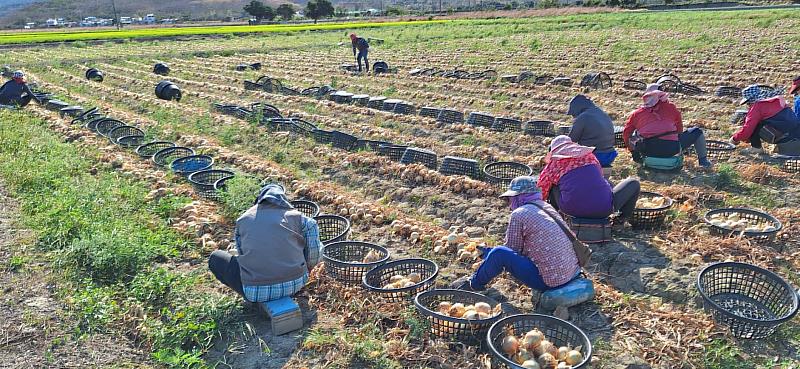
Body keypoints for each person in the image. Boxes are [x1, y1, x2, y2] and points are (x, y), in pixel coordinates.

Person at [451, 176, 581, 292]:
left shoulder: (519, 213)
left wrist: (491, 254)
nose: (509, 205)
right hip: (572, 272)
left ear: (519, 197)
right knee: (497, 252)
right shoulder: (546, 207)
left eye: (510, 200)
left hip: (551, 281)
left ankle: (473, 284)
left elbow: (511, 251)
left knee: (498, 253)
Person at [208, 184, 322, 302]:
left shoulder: (243, 219)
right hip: (296, 283)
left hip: (254, 292)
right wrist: (307, 267)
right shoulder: (301, 219)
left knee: (216, 258)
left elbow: (241, 253)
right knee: (318, 246)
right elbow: (313, 254)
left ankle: (257, 298)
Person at [538, 135, 640, 221]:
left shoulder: (553, 165)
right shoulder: (589, 156)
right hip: (604, 210)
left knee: (552, 185)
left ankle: (558, 219)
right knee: (633, 182)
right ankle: (620, 220)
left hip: (571, 210)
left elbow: (541, 189)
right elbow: (600, 177)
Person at [623, 84, 712, 168]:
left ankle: (640, 160)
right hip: (671, 149)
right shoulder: (671, 108)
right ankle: (703, 162)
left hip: (647, 150)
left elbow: (626, 134)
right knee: (697, 131)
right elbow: (679, 131)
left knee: (635, 134)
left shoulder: (637, 113)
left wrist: (633, 151)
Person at [731, 84, 800, 155]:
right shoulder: (776, 100)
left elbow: (748, 130)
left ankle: (756, 148)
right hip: (796, 133)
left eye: (748, 103)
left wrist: (734, 139)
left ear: (750, 100)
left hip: (786, 136)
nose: (748, 105)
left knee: (756, 124)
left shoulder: (757, 107)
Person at [566, 94, 617, 167]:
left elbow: (571, 140)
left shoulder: (583, 117)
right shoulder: (601, 113)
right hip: (610, 154)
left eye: (573, 115)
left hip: (595, 156)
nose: (573, 117)